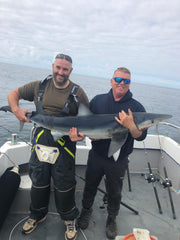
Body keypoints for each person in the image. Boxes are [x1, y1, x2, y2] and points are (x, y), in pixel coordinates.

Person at [8, 53, 89, 240]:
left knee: (64, 185)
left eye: (65, 69)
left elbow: (87, 121)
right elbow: (14, 94)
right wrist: (16, 109)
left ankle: (69, 219)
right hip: (40, 144)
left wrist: (81, 135)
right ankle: (37, 214)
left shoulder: (78, 93)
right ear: (53, 66)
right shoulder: (38, 86)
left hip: (65, 146)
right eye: (58, 67)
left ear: (71, 71)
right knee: (38, 182)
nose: (61, 72)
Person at [69, 67, 147, 239]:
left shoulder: (136, 107)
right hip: (97, 155)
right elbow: (86, 123)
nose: (121, 83)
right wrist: (84, 136)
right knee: (90, 185)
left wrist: (131, 125)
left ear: (129, 83)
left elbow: (139, 137)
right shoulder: (98, 101)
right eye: (118, 79)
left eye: (125, 80)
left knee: (115, 191)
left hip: (118, 159)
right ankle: (86, 211)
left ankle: (112, 218)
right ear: (111, 81)